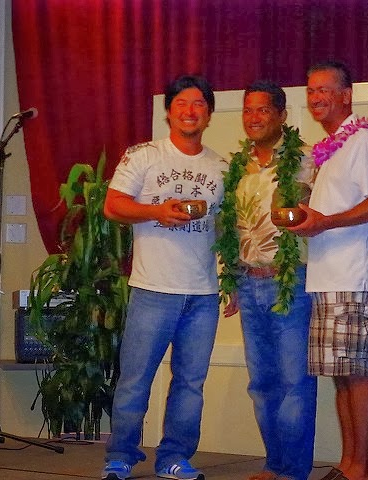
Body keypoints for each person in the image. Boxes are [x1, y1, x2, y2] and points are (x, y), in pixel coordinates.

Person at [101, 75, 226, 480]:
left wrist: (235, 280)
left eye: (199, 104)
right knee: (135, 380)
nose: (190, 111)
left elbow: (227, 229)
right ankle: (120, 456)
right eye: (182, 103)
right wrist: (157, 211)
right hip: (152, 289)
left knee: (190, 383)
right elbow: (113, 206)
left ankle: (174, 457)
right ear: (168, 111)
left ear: (209, 114)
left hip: (203, 294)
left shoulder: (222, 167)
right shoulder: (143, 156)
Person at [289, 61, 368, 480]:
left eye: (325, 90)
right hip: (329, 277)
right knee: (341, 375)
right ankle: (348, 463)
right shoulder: (332, 147)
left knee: (354, 373)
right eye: (311, 91)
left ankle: (361, 470)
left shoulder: (363, 140)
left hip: (355, 276)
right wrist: (307, 215)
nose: (316, 97)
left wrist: (326, 222)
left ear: (347, 95)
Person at [216, 81, 317, 480]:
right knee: (261, 383)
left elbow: (309, 210)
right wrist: (231, 279)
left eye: (262, 110)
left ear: (281, 115)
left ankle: (293, 471)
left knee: (295, 381)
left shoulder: (305, 159)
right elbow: (231, 226)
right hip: (248, 281)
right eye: (248, 110)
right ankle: (274, 465)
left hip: (289, 282)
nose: (253, 118)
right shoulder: (237, 166)